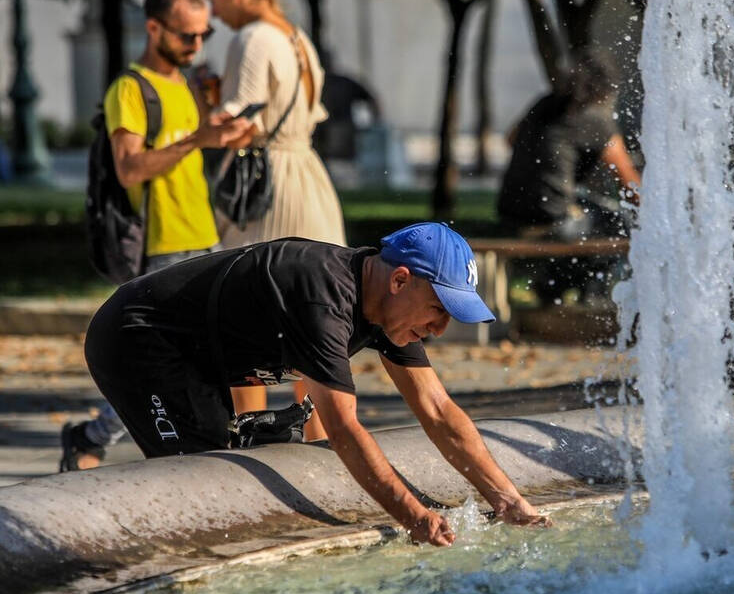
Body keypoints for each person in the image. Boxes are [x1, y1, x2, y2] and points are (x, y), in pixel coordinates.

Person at [83, 222, 550, 544]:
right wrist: (414, 516)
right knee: (199, 478)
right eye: (440, 310)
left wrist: (511, 503)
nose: (441, 329)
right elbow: (344, 429)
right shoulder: (323, 299)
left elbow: (439, 411)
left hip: (198, 357)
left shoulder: (388, 309)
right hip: (138, 338)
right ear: (401, 280)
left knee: (228, 476)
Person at [60, 0, 252, 472]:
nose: (196, 43)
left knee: (218, 355)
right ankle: (93, 435)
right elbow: (128, 169)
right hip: (162, 249)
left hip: (204, 237)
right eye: (187, 35)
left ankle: (214, 448)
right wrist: (196, 140)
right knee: (155, 368)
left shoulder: (185, 84)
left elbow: (191, 156)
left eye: (203, 35)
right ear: (153, 28)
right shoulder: (130, 89)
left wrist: (224, 134)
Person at [206, 0, 348, 439]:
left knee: (245, 311)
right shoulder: (298, 38)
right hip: (308, 177)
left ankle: (248, 438)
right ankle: (320, 436)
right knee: (317, 313)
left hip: (269, 188)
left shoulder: (252, 38)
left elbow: (238, 123)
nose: (212, 7)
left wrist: (202, 104)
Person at [497, 53, 641, 240]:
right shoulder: (596, 120)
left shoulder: (546, 102)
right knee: (625, 223)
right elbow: (630, 186)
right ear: (607, 88)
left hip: (510, 214)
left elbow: (510, 139)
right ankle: (610, 269)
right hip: (552, 222)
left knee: (583, 199)